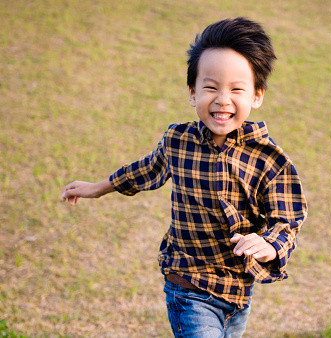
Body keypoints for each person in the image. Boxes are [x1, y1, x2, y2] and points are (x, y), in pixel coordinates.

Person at [61, 17, 308, 337]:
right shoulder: (178, 141)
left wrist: (269, 245)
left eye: (237, 89)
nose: (222, 99)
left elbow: (288, 217)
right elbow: (144, 171)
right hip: (188, 287)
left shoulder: (268, 159)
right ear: (193, 93)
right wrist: (98, 187)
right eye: (210, 87)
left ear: (256, 96)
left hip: (238, 294)